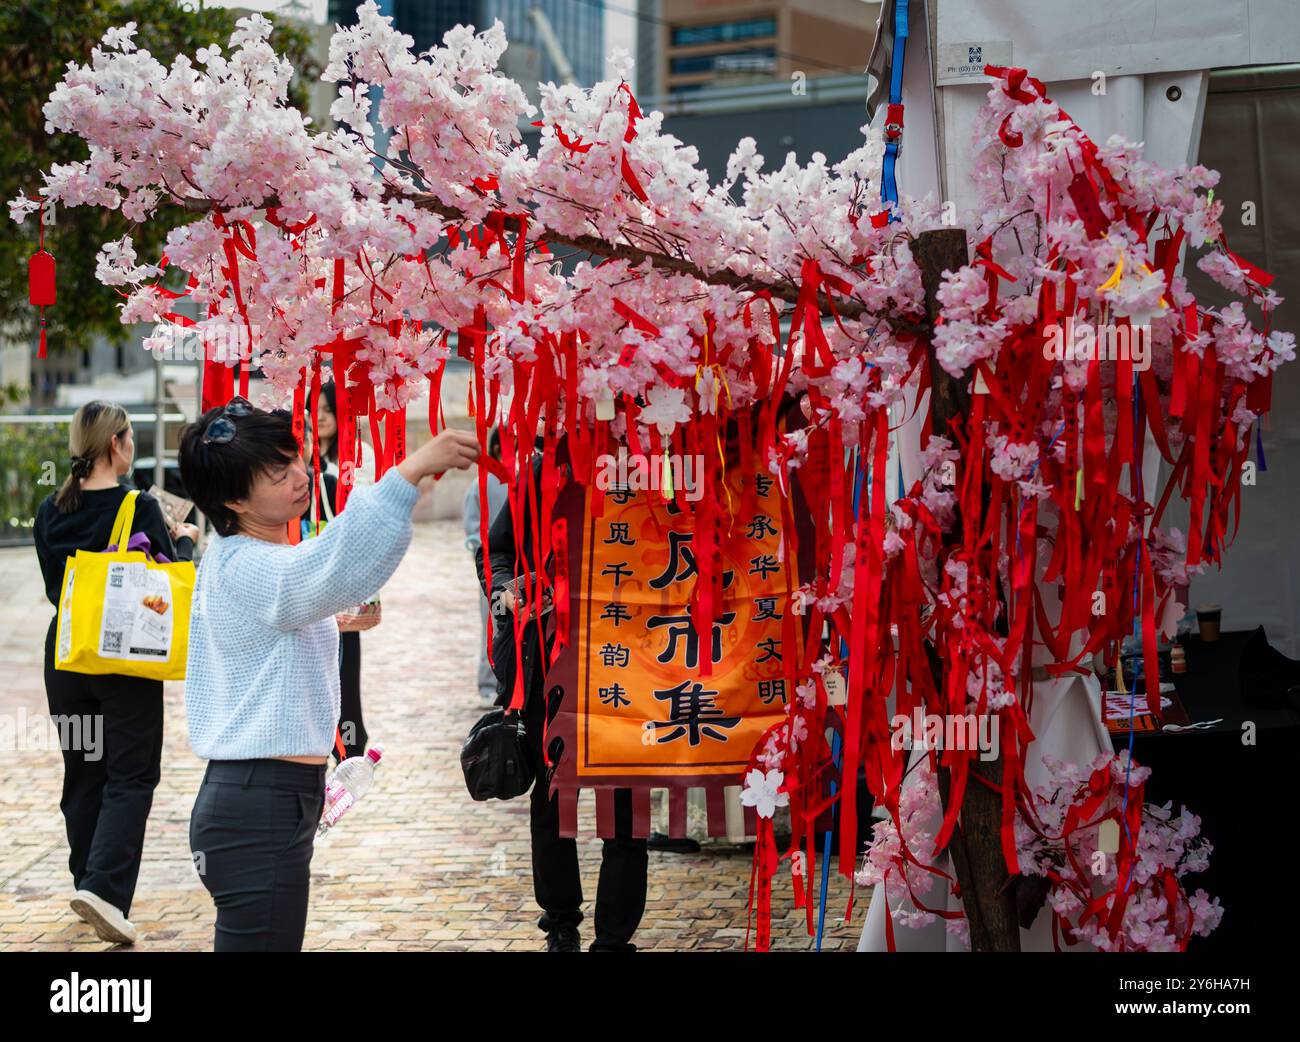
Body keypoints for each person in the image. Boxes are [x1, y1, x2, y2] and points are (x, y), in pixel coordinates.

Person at [179, 396, 479, 951]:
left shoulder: (247, 556)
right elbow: (330, 566)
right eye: (277, 472)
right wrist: (407, 473)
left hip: (265, 798)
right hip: (256, 802)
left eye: (295, 460)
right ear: (231, 498)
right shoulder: (247, 564)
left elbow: (321, 565)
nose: (299, 476)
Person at [33, 400, 198, 945]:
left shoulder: (47, 510)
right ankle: (104, 889)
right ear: (115, 444)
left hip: (66, 654)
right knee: (131, 776)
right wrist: (184, 543)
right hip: (123, 659)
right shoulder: (139, 507)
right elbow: (167, 584)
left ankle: (87, 881)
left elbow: (57, 590)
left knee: (84, 771)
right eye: (128, 437)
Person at [474, 439, 648, 952]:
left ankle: (615, 939)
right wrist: (506, 587)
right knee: (552, 799)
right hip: (553, 661)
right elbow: (496, 549)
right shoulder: (542, 470)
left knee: (627, 807)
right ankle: (561, 922)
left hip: (634, 665)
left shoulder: (658, 468)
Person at [305, 381, 376, 761]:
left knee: (345, 667)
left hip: (340, 582)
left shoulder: (357, 457)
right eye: (315, 410)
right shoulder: (299, 456)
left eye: (328, 411)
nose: (322, 419)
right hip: (307, 580)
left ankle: (350, 745)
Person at [462, 427, 508, 702]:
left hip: (521, 567)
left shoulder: (528, 477)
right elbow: (472, 528)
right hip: (493, 568)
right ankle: (488, 684)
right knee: (492, 623)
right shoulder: (482, 483)